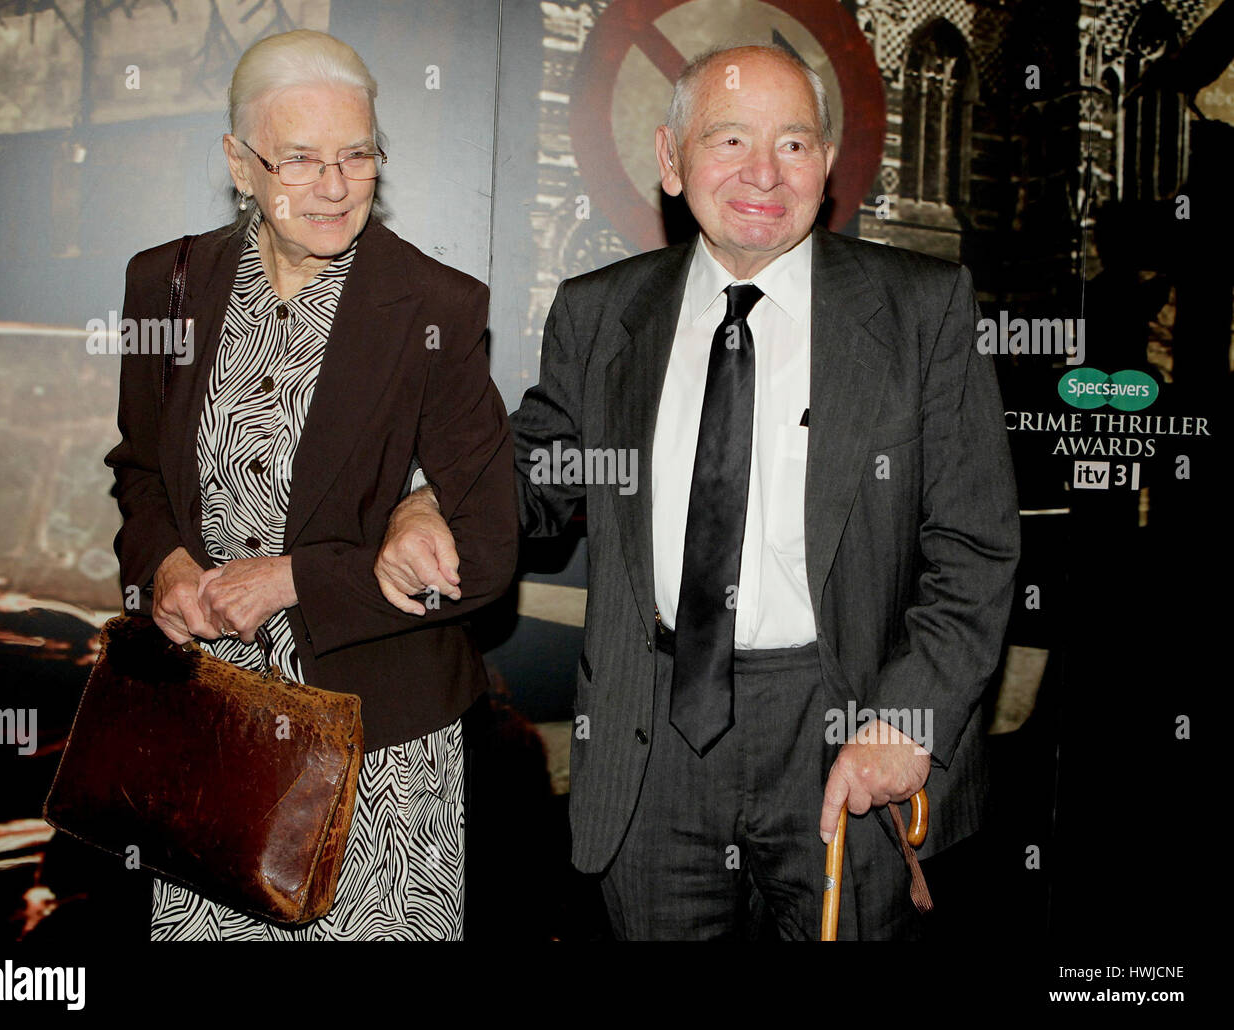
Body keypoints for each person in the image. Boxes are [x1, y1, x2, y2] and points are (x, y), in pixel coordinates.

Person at [376, 43, 1018, 939]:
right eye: (729, 141)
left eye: (794, 144)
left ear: (827, 164)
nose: (764, 172)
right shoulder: (601, 313)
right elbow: (534, 477)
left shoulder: (922, 311)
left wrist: (908, 723)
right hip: (654, 739)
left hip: (846, 733)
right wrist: (426, 500)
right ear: (672, 160)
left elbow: (976, 548)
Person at [104, 29, 517, 940]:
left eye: (357, 155)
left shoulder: (436, 309)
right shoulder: (162, 287)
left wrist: (294, 577)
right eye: (299, 159)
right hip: (213, 727)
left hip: (379, 755)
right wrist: (165, 563)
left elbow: (486, 554)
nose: (334, 186)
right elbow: (140, 471)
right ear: (239, 164)